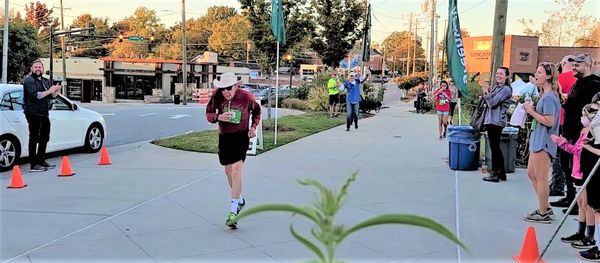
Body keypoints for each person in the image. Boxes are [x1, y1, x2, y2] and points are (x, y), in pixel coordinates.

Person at [205, 72, 262, 229]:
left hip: (240, 136)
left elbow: (257, 112)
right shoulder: (217, 95)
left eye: (228, 88)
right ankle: (240, 200)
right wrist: (219, 117)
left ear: (236, 86)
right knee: (228, 171)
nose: (226, 92)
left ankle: (233, 212)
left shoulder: (246, 97)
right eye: (223, 89)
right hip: (225, 137)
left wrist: (253, 128)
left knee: (237, 170)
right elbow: (208, 114)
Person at [552, 53, 600, 213]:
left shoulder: (594, 84)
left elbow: (591, 111)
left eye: (577, 65)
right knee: (566, 165)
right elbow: (574, 104)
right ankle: (570, 197)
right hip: (569, 129)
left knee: (577, 169)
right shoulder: (577, 83)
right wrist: (565, 101)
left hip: (580, 133)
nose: (574, 68)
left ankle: (578, 203)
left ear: (587, 65)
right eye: (573, 65)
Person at [553, 103, 598, 251]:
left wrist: (568, 144)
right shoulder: (584, 130)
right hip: (576, 170)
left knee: (587, 204)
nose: (583, 118)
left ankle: (590, 236)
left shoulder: (593, 131)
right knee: (580, 203)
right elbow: (576, 150)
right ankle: (580, 231)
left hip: (585, 170)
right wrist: (563, 143)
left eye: (585, 115)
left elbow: (582, 149)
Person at [522, 62, 561, 223]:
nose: (536, 75)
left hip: (544, 142)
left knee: (541, 177)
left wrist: (531, 111)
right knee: (531, 174)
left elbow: (549, 121)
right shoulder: (544, 95)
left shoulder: (550, 97)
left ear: (548, 76)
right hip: (537, 139)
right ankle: (545, 206)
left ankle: (543, 212)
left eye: (539, 72)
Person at [23, 59, 61, 172]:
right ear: (32, 69)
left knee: (45, 137)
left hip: (44, 113)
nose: (38, 69)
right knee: (34, 138)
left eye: (40, 67)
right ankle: (33, 165)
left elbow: (51, 97)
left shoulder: (45, 81)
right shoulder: (29, 80)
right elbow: (36, 96)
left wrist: (56, 90)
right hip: (33, 113)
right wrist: (50, 90)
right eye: (36, 67)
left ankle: (41, 161)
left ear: (43, 69)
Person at [550, 55, 578, 198]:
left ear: (563, 64)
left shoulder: (561, 78)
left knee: (558, 155)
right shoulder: (577, 80)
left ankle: (557, 186)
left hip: (560, 120)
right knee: (571, 155)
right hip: (574, 122)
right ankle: (569, 187)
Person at [480, 67, 513, 183]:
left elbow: (492, 103)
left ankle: (494, 173)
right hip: (491, 120)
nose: (498, 75)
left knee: (495, 148)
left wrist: (485, 92)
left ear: (507, 76)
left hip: (497, 121)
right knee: (495, 147)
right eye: (497, 73)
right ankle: (501, 173)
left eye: (501, 74)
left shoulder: (506, 90)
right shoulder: (497, 88)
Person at [579, 101, 600, 261]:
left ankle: (598, 246)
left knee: (597, 209)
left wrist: (587, 147)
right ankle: (598, 245)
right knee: (595, 208)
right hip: (592, 168)